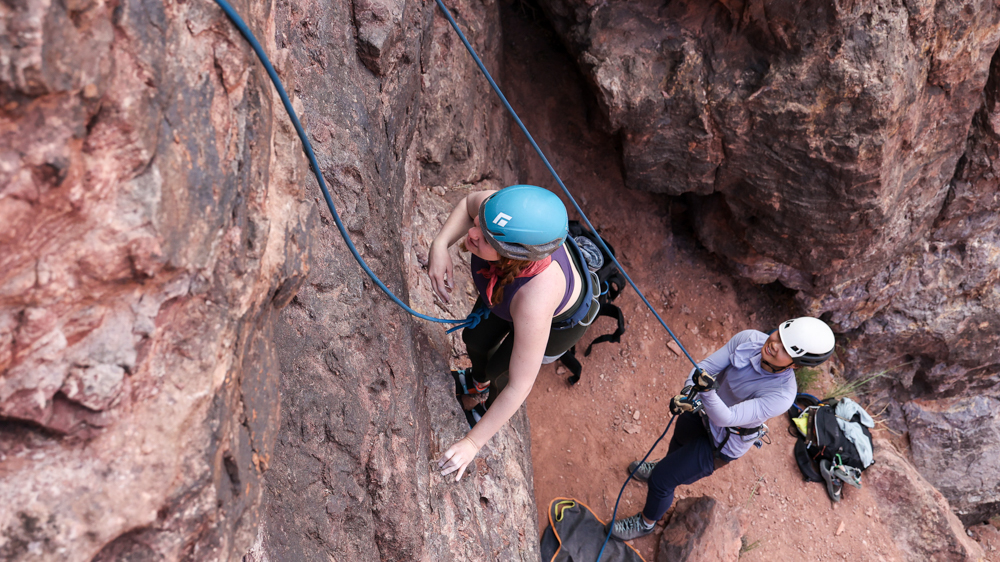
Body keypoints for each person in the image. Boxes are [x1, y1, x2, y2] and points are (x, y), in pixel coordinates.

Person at [609, 317, 836, 540]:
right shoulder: (750, 339)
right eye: (779, 335)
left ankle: (646, 523)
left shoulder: (782, 395)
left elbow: (727, 417)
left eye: (786, 349)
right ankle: (666, 465)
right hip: (701, 411)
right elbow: (705, 367)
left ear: (795, 365)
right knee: (677, 443)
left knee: (662, 480)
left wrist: (705, 392)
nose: (774, 344)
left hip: (721, 442)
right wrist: (689, 393)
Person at [430, 185, 598, 482]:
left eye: (486, 238)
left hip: (556, 322)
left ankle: (487, 402)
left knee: (502, 373)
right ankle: (476, 382)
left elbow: (520, 386)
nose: (473, 234)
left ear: (514, 256)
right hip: (502, 286)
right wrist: (440, 244)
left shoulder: (535, 301)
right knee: (475, 340)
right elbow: (470, 203)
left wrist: (472, 443)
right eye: (480, 223)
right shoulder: (498, 214)